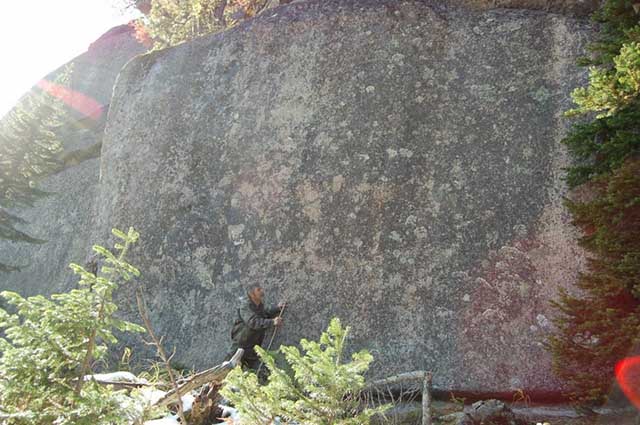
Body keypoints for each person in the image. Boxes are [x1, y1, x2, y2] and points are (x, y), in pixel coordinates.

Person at [229, 284, 285, 372]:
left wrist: (277, 308)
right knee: (231, 370)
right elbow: (253, 322)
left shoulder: (258, 305)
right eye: (258, 290)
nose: (262, 291)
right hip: (241, 346)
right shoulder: (245, 307)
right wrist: (272, 322)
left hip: (252, 347)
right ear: (252, 294)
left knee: (259, 371)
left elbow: (264, 314)